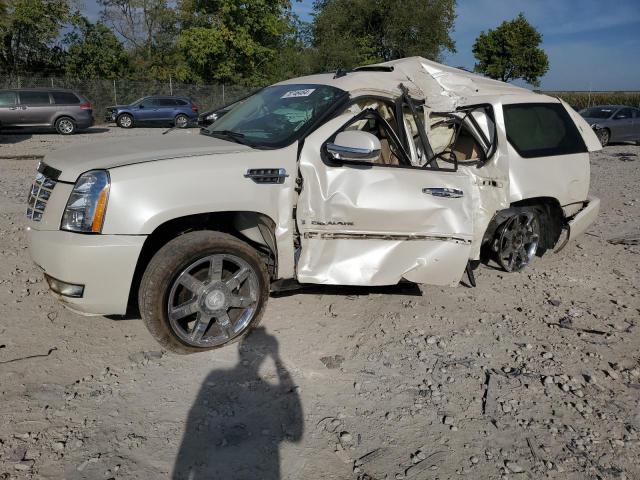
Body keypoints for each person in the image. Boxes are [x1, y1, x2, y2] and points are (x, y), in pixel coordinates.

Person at [172, 327, 303, 480]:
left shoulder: (215, 376)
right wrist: (277, 360)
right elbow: (296, 434)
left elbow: (191, 426)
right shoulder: (217, 376)